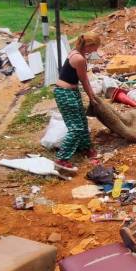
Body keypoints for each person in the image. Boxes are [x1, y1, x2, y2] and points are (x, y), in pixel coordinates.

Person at [54, 32, 100, 169]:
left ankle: (85, 148)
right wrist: (92, 97)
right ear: (88, 46)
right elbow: (84, 80)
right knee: (76, 127)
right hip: (65, 94)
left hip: (70, 92)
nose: (95, 50)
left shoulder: (75, 52)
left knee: (82, 120)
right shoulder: (79, 59)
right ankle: (61, 158)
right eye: (95, 47)